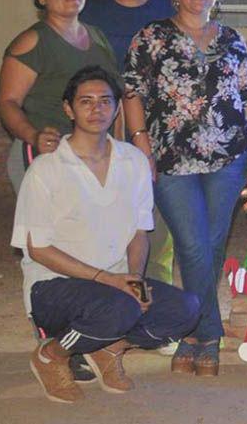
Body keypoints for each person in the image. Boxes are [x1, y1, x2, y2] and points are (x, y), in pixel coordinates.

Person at [123, 0, 247, 377]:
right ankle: (206, 332)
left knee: (211, 246)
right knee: (192, 245)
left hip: (228, 159)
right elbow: (132, 92)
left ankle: (192, 339)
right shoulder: (151, 37)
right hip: (171, 159)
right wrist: (140, 144)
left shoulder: (232, 40)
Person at [12, 66, 199, 403]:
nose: (96, 109)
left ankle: (109, 346)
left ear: (116, 109)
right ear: (68, 109)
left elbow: (140, 232)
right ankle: (52, 355)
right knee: (118, 308)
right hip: (53, 286)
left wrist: (134, 280)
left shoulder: (133, 161)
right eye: (85, 101)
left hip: (114, 287)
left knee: (186, 309)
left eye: (104, 101)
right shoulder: (46, 169)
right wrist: (109, 281)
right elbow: (37, 249)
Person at [81, 0, 177, 288]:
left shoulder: (171, 11)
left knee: (156, 213)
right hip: (100, 126)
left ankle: (155, 291)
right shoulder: (87, 12)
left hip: (159, 129)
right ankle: (102, 288)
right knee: (100, 211)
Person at [0, 0, 118, 194]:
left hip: (93, 154)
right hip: (49, 154)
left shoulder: (97, 36)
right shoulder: (32, 41)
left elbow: (115, 95)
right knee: (49, 229)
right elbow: (7, 102)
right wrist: (34, 136)